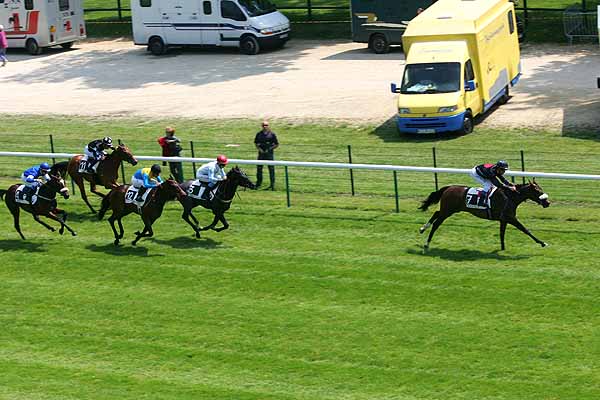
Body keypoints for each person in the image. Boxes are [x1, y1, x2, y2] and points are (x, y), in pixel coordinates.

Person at [254, 120, 279, 190]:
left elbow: (277, 144)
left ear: (268, 126)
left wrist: (269, 149)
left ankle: (272, 185)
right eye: (263, 125)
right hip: (261, 154)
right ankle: (258, 184)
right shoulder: (258, 134)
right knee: (259, 169)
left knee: (271, 169)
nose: (265, 126)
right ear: (262, 126)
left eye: (266, 125)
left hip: (269, 154)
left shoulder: (272, 134)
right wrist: (260, 149)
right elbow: (256, 143)